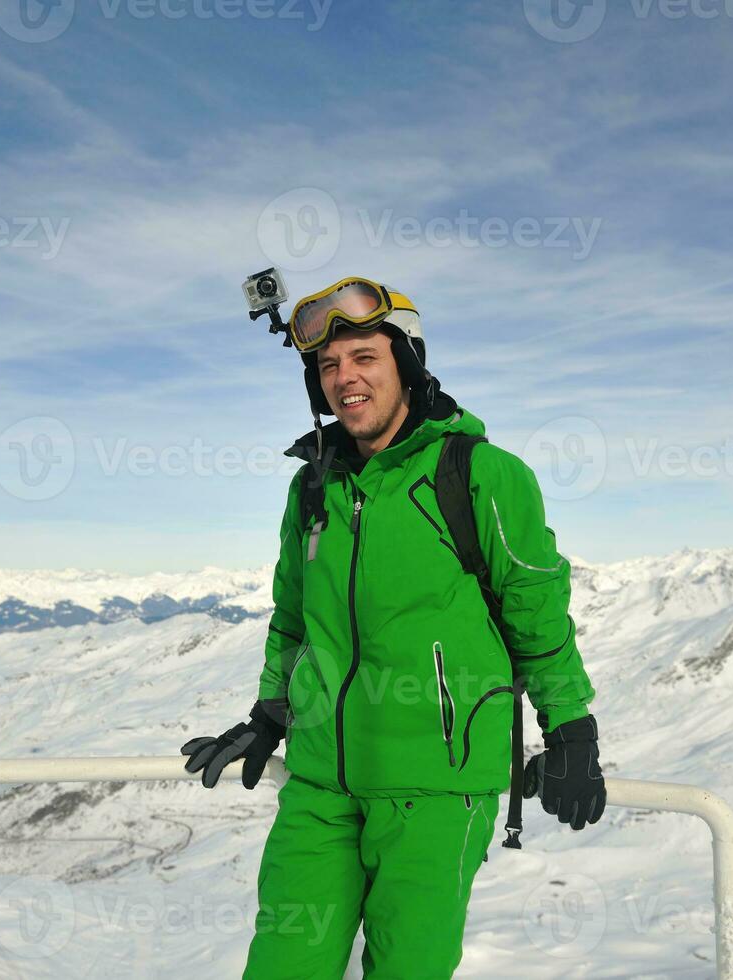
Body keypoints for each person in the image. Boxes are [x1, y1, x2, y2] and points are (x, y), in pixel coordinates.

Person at [180, 276, 606, 979]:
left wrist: (570, 728)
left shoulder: (482, 475)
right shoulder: (312, 487)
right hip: (319, 786)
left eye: (364, 358)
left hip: (436, 791)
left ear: (406, 363)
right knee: (282, 966)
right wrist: (269, 713)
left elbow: (535, 606)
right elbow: (295, 618)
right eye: (327, 366)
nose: (344, 378)